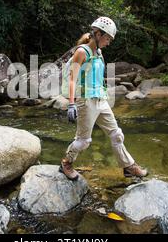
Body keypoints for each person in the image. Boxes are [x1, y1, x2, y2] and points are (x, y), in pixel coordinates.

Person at [59, 17, 148, 181]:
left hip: (100, 100)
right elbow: (72, 79)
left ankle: (129, 167)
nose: (108, 43)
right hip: (85, 101)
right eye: (107, 39)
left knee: (116, 135)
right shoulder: (81, 52)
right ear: (98, 34)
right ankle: (66, 163)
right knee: (83, 141)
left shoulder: (99, 53)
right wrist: (71, 104)